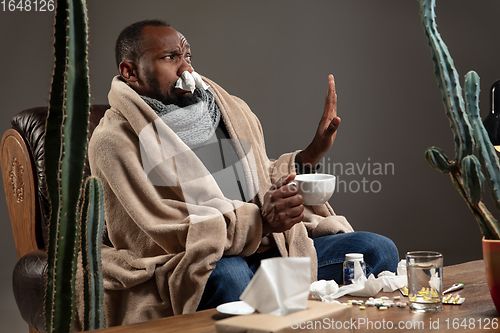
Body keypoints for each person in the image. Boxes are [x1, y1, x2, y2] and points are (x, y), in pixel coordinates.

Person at [88, 19, 399, 326]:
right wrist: (260, 222)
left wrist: (311, 153)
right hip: (197, 261)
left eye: (187, 56)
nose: (186, 69)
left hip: (271, 247)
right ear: (130, 72)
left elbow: (262, 177)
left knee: (377, 250)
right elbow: (157, 230)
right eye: (170, 58)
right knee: (234, 278)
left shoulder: (225, 111)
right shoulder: (114, 140)